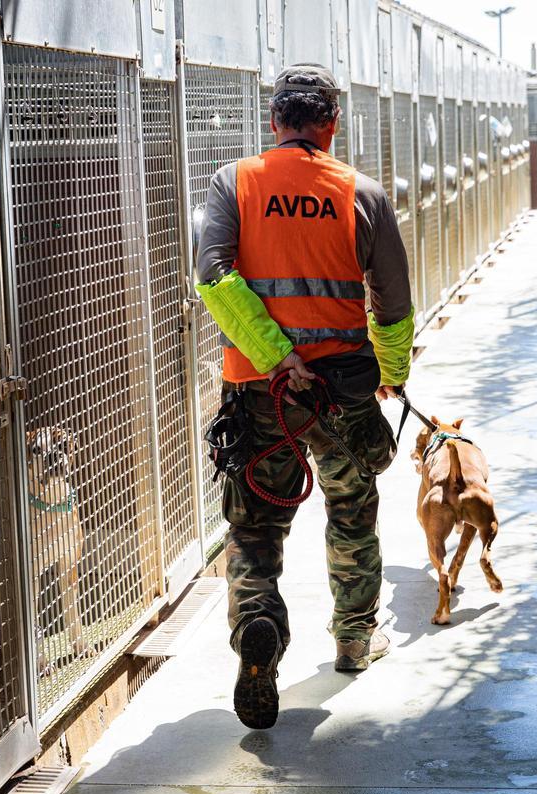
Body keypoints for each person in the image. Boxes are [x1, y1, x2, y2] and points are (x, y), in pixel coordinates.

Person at [195, 63, 414, 730]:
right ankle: (353, 638)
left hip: (260, 391)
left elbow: (213, 276)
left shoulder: (234, 183)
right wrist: (393, 373)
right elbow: (394, 302)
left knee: (255, 525)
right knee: (351, 507)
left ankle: (258, 627)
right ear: (331, 124)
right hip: (342, 390)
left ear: (274, 123)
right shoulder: (363, 193)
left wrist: (275, 355)